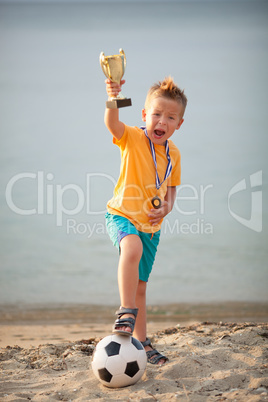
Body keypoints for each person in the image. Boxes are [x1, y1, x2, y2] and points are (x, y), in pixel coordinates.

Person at [104, 76, 187, 365]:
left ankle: (142, 342)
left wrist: (166, 208)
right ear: (144, 116)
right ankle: (126, 311)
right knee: (131, 249)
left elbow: (172, 190)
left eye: (170, 117)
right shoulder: (133, 138)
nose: (161, 121)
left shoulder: (174, 153)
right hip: (121, 215)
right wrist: (113, 97)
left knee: (141, 286)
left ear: (179, 124)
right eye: (156, 114)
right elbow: (112, 125)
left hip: (151, 228)